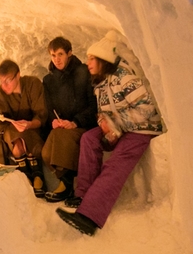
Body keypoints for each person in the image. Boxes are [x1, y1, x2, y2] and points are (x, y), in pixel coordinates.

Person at [56, 36, 164, 236]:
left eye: (91, 59)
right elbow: (102, 114)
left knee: (116, 162)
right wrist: (107, 129)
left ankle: (89, 216)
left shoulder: (125, 78)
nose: (87, 63)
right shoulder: (100, 84)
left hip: (142, 128)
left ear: (102, 60)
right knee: (88, 138)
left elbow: (146, 109)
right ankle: (83, 195)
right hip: (121, 127)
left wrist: (115, 124)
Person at [41, 37, 97, 203]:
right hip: (62, 126)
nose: (57, 59)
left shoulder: (83, 73)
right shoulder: (48, 80)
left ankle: (65, 186)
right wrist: (54, 121)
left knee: (61, 137)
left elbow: (93, 106)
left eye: (60, 54)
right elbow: (49, 108)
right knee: (45, 152)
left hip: (82, 124)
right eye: (53, 55)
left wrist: (75, 122)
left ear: (69, 54)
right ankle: (66, 181)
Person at [0, 59, 48, 197]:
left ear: (18, 75)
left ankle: (36, 175)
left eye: (7, 80)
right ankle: (29, 176)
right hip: (12, 134)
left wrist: (30, 124)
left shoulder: (33, 84)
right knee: (16, 138)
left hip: (35, 130)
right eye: (1, 81)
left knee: (25, 135)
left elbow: (42, 115)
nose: (4, 86)